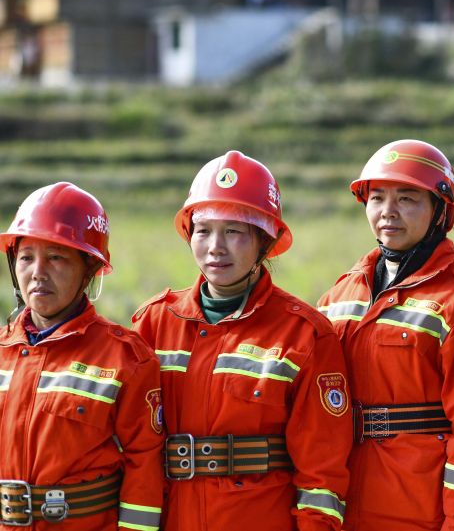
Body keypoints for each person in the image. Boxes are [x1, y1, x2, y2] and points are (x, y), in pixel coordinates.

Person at [132, 151, 351, 531]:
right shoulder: (153, 322)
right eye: (204, 230)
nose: (215, 247)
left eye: (233, 231)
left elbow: (322, 470)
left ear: (265, 240)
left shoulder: (304, 334)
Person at [317, 139, 454, 531]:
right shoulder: (341, 293)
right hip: (343, 499)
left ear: (440, 209)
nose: (388, 212)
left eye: (406, 199)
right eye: (377, 198)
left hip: (419, 507)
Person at [0, 182, 164, 530]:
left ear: (88, 268)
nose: (38, 272)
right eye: (26, 257)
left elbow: (145, 467)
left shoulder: (126, 359)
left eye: (56, 257)